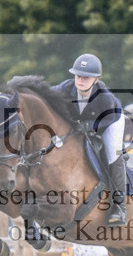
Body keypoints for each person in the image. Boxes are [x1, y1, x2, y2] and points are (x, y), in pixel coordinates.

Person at [53, 53, 127, 226]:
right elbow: (44, 96)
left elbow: (108, 119)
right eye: (78, 76)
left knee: (113, 154)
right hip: (80, 124)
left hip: (109, 121)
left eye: (86, 77)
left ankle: (119, 207)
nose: (80, 80)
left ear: (96, 79)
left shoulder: (105, 97)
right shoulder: (63, 89)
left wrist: (88, 126)